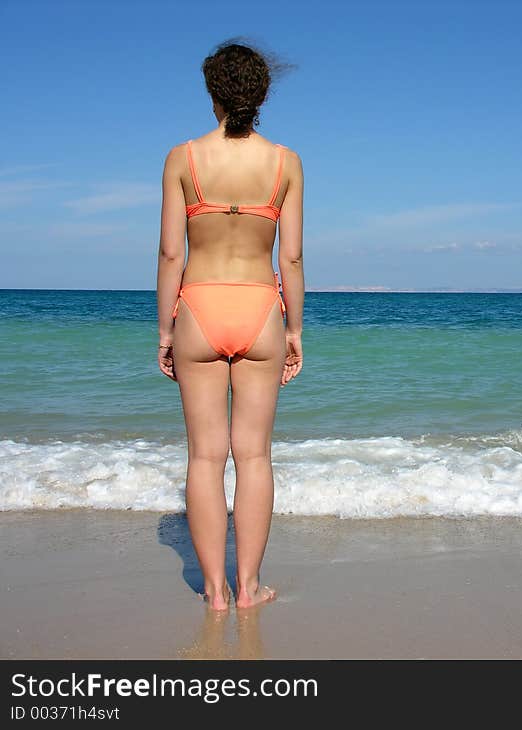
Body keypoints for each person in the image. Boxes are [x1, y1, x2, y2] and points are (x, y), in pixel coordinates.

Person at [155, 40, 304, 611]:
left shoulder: (183, 158)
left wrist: (166, 333)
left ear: (212, 93)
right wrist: (293, 330)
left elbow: (171, 253)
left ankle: (213, 593)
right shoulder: (285, 162)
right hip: (261, 307)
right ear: (261, 95)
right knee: (256, 456)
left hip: (198, 307)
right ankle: (249, 589)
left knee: (205, 457)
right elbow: (290, 258)